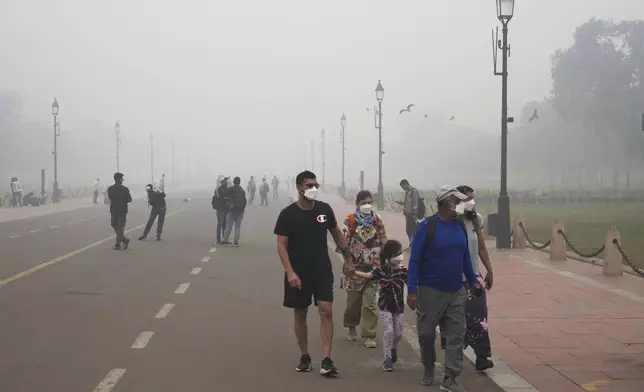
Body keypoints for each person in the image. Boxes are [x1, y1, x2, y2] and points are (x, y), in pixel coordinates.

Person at [274, 170, 353, 377]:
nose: (313, 189)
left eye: (315, 185)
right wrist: (290, 272)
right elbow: (281, 244)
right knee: (300, 312)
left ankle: (326, 359)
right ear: (300, 187)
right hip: (298, 272)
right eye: (309, 186)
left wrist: (348, 257)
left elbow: (336, 233)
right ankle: (305, 355)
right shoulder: (288, 214)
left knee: (326, 310)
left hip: (322, 270)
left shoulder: (324, 210)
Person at [406, 185, 481, 390]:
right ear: (447, 203)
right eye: (456, 201)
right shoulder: (427, 226)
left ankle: (450, 378)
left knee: (456, 334)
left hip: (456, 290)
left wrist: (473, 280)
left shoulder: (460, 226)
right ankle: (429, 366)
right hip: (430, 290)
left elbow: (464, 256)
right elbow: (414, 260)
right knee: (427, 333)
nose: (459, 205)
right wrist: (411, 290)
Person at [351, 239, 407, 372]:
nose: (400, 256)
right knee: (389, 330)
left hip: (398, 307)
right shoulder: (381, 270)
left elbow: (413, 284)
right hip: (385, 305)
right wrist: (354, 272)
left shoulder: (403, 271)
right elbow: (368, 275)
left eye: (400, 253)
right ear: (389, 257)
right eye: (397, 254)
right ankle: (387, 358)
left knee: (398, 333)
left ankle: (393, 348)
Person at [456, 185, 494, 371]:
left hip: (474, 276)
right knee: (456, 317)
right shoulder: (451, 221)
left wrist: (489, 270)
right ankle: (455, 352)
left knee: (480, 315)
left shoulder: (476, 220)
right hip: (454, 277)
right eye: (466, 199)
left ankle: (482, 356)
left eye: (472, 198)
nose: (470, 202)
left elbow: (481, 247)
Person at [341, 190, 387, 348]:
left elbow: (383, 239)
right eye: (363, 203)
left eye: (369, 202)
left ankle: (369, 335)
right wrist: (348, 263)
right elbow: (343, 243)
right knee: (353, 304)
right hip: (354, 269)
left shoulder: (377, 219)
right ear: (357, 204)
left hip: (373, 268)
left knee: (370, 304)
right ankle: (352, 326)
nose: (367, 205)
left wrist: (386, 259)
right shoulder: (350, 220)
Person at [107, 172, 132, 250]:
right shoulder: (125, 189)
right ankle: (124, 240)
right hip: (122, 211)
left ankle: (118, 244)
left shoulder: (110, 189)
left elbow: (110, 197)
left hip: (114, 210)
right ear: (119, 179)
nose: (123, 180)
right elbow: (129, 199)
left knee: (114, 225)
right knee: (119, 227)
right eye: (122, 178)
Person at [222, 177, 247, 247]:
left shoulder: (230, 189)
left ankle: (225, 240)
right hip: (240, 211)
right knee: (237, 227)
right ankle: (236, 242)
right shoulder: (242, 191)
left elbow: (225, 198)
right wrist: (242, 209)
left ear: (233, 182)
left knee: (228, 226)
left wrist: (229, 205)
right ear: (239, 182)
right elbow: (245, 201)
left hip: (232, 210)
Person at [398, 179, 420, 251]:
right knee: (410, 230)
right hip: (408, 214)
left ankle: (413, 246)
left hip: (412, 214)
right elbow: (408, 202)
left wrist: (414, 214)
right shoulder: (408, 192)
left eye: (403, 187)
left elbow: (415, 203)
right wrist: (401, 203)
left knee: (412, 230)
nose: (403, 189)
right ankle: (412, 245)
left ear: (405, 184)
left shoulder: (414, 191)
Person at [211, 178, 229, 246]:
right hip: (220, 209)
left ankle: (224, 239)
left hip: (225, 209)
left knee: (224, 224)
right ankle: (218, 240)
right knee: (220, 224)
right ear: (222, 182)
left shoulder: (225, 189)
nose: (226, 183)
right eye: (225, 182)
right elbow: (221, 197)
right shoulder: (218, 190)